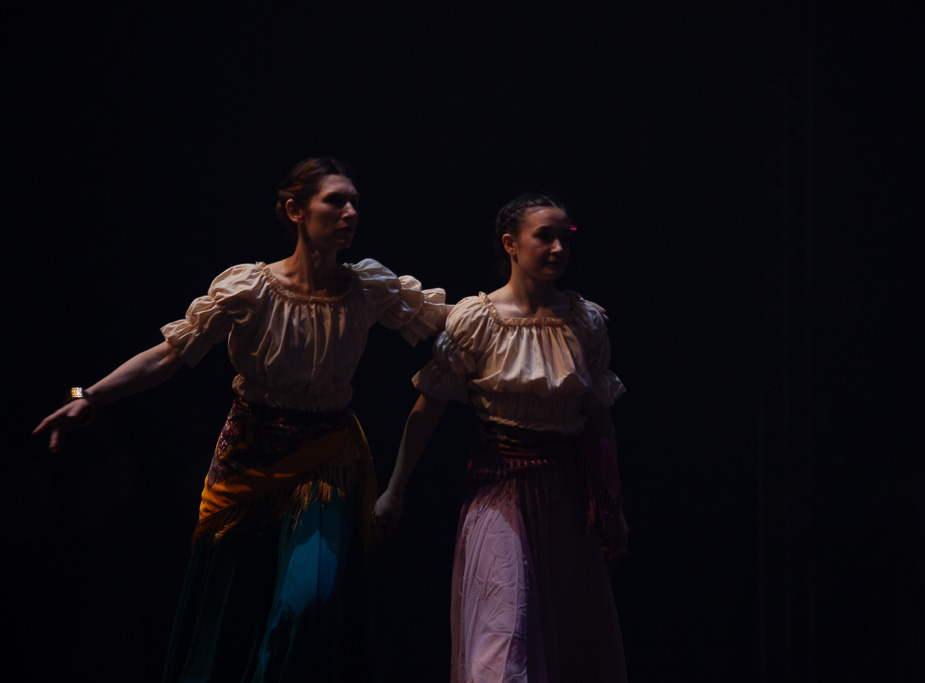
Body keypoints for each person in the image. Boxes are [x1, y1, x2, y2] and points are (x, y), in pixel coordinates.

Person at [33, 157, 448, 682]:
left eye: (355, 203)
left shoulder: (367, 287)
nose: (349, 213)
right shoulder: (250, 288)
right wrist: (87, 396)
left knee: (310, 602)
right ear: (295, 210)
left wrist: (523, 312)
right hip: (248, 454)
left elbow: (447, 321)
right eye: (335, 201)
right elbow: (169, 354)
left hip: (324, 461)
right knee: (231, 606)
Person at [373, 193, 628, 682]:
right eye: (544, 236)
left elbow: (599, 420)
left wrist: (612, 504)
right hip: (499, 489)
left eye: (564, 237)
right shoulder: (478, 319)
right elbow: (427, 408)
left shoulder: (585, 321)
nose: (557, 247)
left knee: (570, 633)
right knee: (503, 632)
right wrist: (395, 488)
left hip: (566, 493)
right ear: (511, 244)